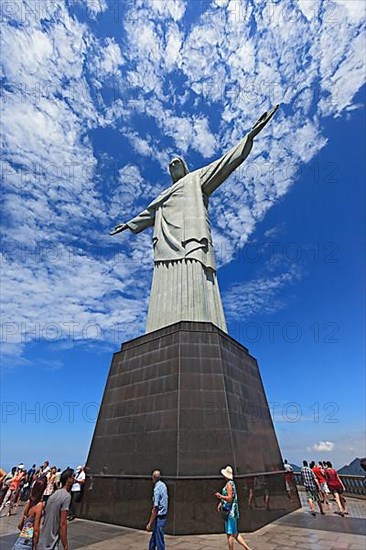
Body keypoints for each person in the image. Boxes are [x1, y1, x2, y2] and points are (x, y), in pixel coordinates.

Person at [110, 106, 279, 335]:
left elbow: (225, 163)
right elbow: (147, 215)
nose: (172, 165)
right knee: (164, 280)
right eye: (169, 165)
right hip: (166, 243)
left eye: (176, 162)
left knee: (195, 275)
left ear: (184, 166)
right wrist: (128, 224)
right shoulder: (162, 195)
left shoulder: (196, 179)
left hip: (190, 237)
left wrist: (249, 136)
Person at [215, 466, 252, 550]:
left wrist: (220, 496)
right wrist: (221, 503)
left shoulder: (229, 484)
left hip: (230, 512)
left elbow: (229, 498)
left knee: (229, 534)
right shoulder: (232, 483)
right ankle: (248, 548)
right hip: (233, 511)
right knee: (235, 533)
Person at [38, 468, 74, 550]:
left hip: (44, 538)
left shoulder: (54, 494)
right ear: (68, 479)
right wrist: (65, 545)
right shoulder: (66, 496)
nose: (74, 479)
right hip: (52, 541)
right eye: (73, 476)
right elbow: (63, 524)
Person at [12, 478, 46, 550]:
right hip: (27, 543)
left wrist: (27, 530)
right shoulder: (39, 505)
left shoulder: (29, 503)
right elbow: (36, 530)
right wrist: (35, 546)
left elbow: (20, 525)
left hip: (19, 541)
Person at [146, 470, 168, 550]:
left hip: (159, 517)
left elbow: (155, 508)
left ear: (154, 478)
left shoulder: (157, 489)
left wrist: (149, 523)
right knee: (154, 538)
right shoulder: (163, 485)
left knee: (159, 540)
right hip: (163, 515)